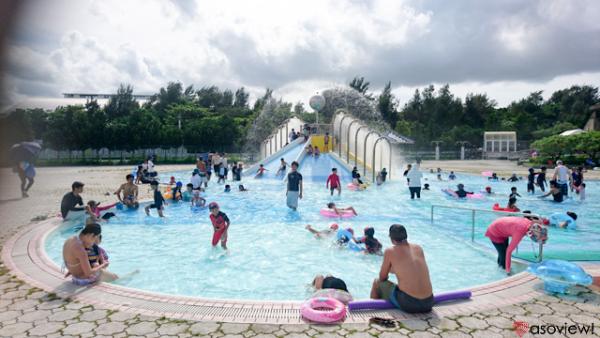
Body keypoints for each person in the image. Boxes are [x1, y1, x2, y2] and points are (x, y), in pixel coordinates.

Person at [370, 224, 434, 313]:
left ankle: (373, 313)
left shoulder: (390, 251)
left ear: (391, 239)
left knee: (377, 282)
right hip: (429, 302)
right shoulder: (418, 248)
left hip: (410, 304)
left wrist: (391, 270)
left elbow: (382, 278)